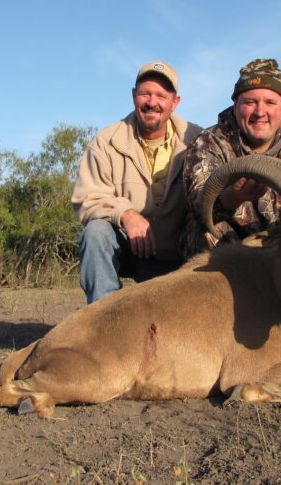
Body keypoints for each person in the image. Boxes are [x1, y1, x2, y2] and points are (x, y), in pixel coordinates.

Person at [72, 61, 202, 303]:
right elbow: (86, 199)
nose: (152, 102)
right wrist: (125, 214)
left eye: (162, 96)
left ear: (175, 102)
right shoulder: (105, 142)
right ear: (134, 96)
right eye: (145, 93)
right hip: (130, 251)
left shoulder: (199, 141)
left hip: (182, 255)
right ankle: (105, 322)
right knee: (96, 232)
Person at [182, 58, 281, 256]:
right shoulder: (210, 142)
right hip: (231, 257)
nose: (260, 112)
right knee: (205, 231)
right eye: (250, 102)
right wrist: (233, 197)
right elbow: (199, 203)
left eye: (270, 102)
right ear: (236, 104)